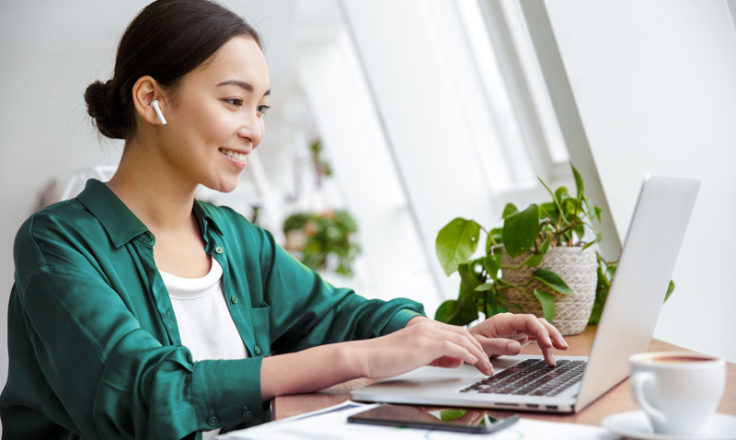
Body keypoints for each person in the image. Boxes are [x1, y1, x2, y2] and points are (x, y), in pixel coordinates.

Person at [0, 1, 568, 438]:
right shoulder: (58, 243)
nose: (255, 129)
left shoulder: (234, 240)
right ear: (154, 100)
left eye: (262, 106)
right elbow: (145, 396)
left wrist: (455, 337)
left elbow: (343, 316)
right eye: (233, 101)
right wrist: (356, 359)